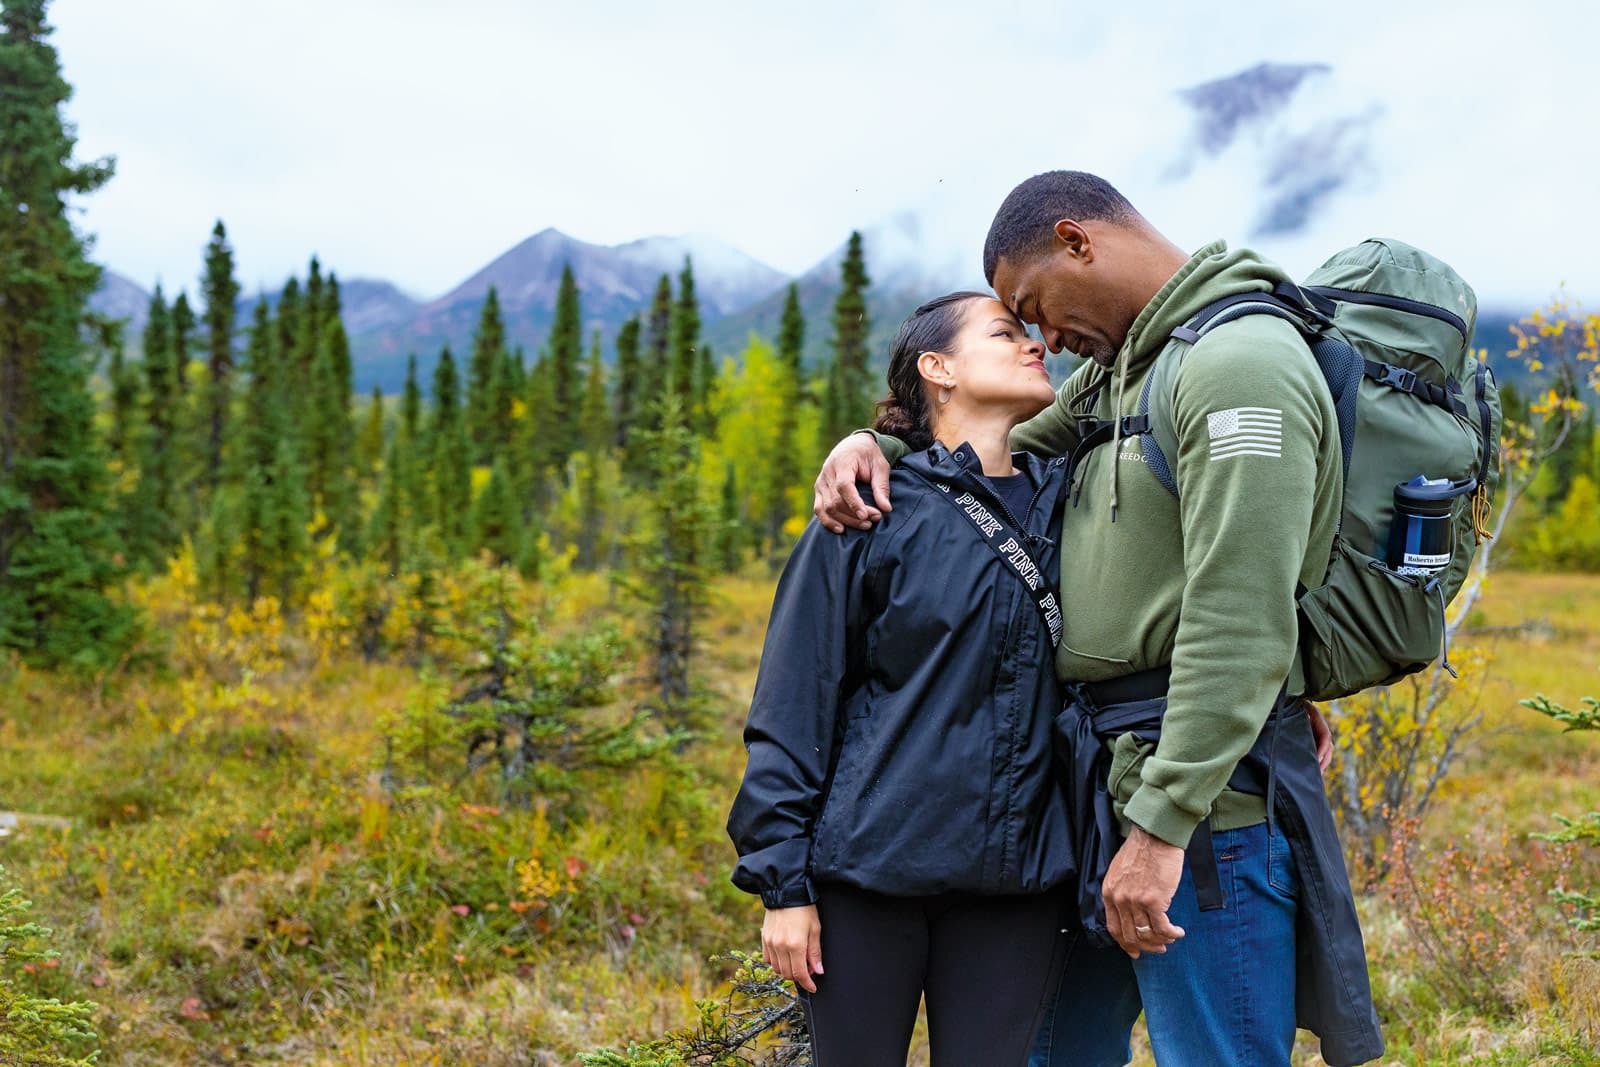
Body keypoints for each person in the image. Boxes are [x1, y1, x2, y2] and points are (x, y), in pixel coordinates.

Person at [811, 171, 1383, 1067]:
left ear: (1078, 241)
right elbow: (984, 452)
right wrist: (875, 442)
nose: (1043, 336)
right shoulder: (1129, 369)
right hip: (1098, 792)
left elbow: (1239, 615)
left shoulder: (1237, 365)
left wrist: (1160, 831)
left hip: (1203, 814)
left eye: (1032, 303)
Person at [727, 291, 1134, 1067]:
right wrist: (784, 886)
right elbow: (791, 705)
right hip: (865, 881)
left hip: (1016, 891)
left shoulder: (1074, 503)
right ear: (938, 368)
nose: (1034, 346)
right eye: (1004, 332)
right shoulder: (870, 513)